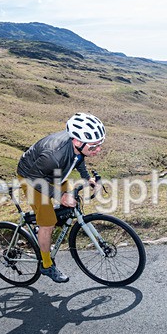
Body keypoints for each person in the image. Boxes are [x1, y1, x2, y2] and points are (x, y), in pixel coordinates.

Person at [17, 113, 104, 283]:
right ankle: (47, 265)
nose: (98, 150)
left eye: (99, 145)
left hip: (54, 174)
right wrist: (60, 196)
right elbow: (34, 180)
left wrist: (87, 178)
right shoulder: (53, 155)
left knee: (69, 204)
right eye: (94, 147)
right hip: (31, 177)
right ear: (77, 141)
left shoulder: (76, 145)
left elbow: (78, 159)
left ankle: (40, 229)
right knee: (48, 222)